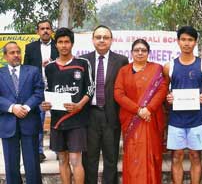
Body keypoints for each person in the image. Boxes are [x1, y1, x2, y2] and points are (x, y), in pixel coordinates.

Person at [41, 28, 94, 184]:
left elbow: (90, 88)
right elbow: (47, 91)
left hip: (77, 120)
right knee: (62, 159)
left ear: (72, 44)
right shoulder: (49, 68)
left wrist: (79, 105)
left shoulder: (83, 63)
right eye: (60, 42)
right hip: (57, 121)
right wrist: (45, 104)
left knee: (75, 159)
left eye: (67, 42)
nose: (64, 45)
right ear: (56, 45)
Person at [114, 39, 168, 184]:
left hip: (151, 118)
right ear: (131, 52)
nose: (140, 53)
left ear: (148, 53)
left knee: (152, 155)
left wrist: (148, 109)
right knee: (133, 157)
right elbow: (118, 94)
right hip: (131, 119)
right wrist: (138, 110)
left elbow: (162, 90)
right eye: (137, 50)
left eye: (143, 50)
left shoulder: (157, 69)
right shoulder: (124, 71)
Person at [81, 25, 128, 184]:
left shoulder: (121, 61)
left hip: (111, 115)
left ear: (111, 40)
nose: (102, 40)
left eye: (105, 37)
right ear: (93, 39)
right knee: (89, 158)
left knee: (111, 157)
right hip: (89, 115)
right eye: (98, 37)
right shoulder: (83, 60)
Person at [163, 26, 202, 184]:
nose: (186, 43)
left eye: (190, 40)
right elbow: (164, 91)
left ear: (195, 42)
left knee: (195, 156)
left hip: (196, 120)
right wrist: (168, 97)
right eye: (183, 39)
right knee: (176, 156)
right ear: (178, 41)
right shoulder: (169, 66)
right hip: (176, 120)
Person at [0, 41, 44, 184]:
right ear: (5, 56)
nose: (16, 55)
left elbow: (39, 93)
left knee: (32, 164)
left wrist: (26, 107)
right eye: (12, 53)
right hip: (7, 125)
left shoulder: (33, 71)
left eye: (18, 52)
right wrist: (12, 107)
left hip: (29, 121)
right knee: (11, 165)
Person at [24, 19, 59, 163]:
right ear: (37, 31)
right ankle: (39, 152)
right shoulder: (30, 47)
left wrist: (53, 64)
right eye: (42, 28)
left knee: (58, 119)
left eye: (48, 28)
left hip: (56, 88)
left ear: (51, 31)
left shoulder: (59, 46)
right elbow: (26, 69)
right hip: (38, 89)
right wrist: (41, 65)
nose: (45, 31)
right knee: (38, 120)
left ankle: (59, 149)